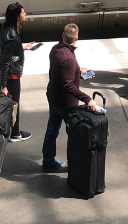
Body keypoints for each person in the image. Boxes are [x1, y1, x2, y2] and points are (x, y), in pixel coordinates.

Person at [41, 23, 99, 172]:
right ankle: (75, 163)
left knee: (52, 130)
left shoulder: (56, 49)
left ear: (63, 35)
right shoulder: (69, 59)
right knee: (75, 134)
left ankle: (48, 162)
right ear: (77, 38)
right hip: (65, 103)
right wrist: (88, 99)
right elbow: (68, 85)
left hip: (53, 97)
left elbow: (62, 73)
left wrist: (78, 73)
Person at [0, 2, 38, 142]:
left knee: (6, 104)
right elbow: (6, 61)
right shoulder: (12, 34)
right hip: (8, 75)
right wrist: (4, 86)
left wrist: (22, 49)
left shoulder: (6, 28)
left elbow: (8, 52)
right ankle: (15, 133)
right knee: (14, 104)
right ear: (17, 16)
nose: (25, 14)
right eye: (23, 12)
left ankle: (4, 131)